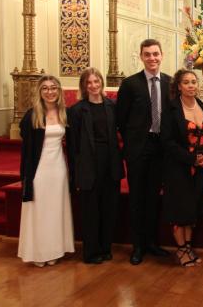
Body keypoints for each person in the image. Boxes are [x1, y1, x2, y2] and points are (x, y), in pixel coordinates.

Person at [116, 38, 172, 265]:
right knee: (137, 197)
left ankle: (152, 243)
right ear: (141, 57)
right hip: (139, 149)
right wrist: (131, 145)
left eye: (155, 54)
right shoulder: (130, 84)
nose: (152, 58)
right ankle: (137, 246)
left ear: (162, 55)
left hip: (161, 148)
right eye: (147, 54)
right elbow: (121, 119)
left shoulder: (170, 83)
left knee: (154, 198)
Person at [67, 68, 124, 264]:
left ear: (101, 83)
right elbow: (73, 146)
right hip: (88, 165)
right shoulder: (76, 110)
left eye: (96, 81)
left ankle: (106, 248)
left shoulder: (112, 106)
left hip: (110, 163)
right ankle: (91, 252)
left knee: (109, 208)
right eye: (89, 83)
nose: (93, 86)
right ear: (84, 86)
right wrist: (74, 175)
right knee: (90, 211)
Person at [18, 75, 75, 267]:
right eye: (45, 88)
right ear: (39, 92)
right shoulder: (31, 115)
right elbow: (26, 148)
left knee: (55, 209)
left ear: (59, 91)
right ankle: (38, 251)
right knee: (40, 210)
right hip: (39, 168)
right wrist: (25, 175)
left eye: (53, 88)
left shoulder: (65, 113)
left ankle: (55, 250)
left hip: (58, 167)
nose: (49, 92)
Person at [161, 69, 203, 267]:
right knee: (179, 210)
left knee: (192, 210)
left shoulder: (202, 106)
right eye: (186, 82)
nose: (191, 86)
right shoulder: (171, 109)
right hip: (178, 168)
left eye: (194, 82)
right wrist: (191, 159)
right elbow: (167, 141)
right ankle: (181, 250)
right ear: (179, 86)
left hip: (200, 168)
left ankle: (188, 246)